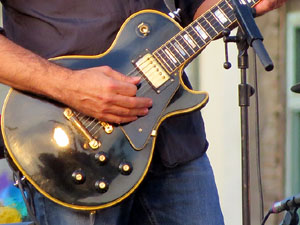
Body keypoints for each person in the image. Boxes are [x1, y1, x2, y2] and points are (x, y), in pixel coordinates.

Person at [0, 0, 286, 224]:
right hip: (73, 148)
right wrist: (69, 85)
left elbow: (194, 7)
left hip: (173, 140)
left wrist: (240, 5)